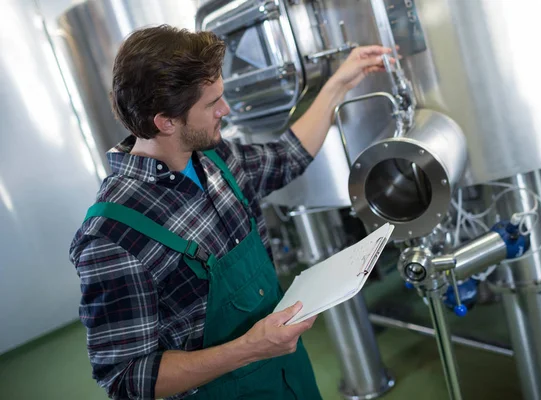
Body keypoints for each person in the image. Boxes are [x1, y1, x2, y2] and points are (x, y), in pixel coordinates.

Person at [69, 24, 391, 400]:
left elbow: (286, 157)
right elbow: (127, 378)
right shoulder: (112, 236)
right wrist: (251, 348)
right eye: (211, 104)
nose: (226, 109)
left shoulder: (215, 157)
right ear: (165, 121)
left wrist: (339, 84)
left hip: (288, 376)